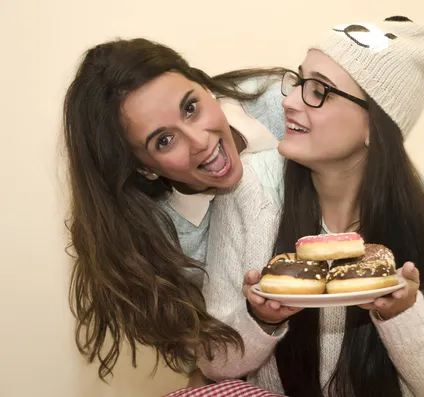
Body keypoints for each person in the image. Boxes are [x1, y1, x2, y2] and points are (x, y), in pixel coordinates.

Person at [198, 16, 424, 396]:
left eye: (319, 90)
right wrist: (259, 318)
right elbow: (211, 360)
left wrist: (401, 314)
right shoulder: (251, 188)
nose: (288, 101)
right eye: (300, 80)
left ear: (375, 126)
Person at [62, 37, 287, 385]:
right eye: (163, 141)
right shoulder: (159, 237)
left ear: (204, 86)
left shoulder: (281, 105)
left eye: (191, 107)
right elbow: (213, 353)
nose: (199, 141)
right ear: (144, 168)